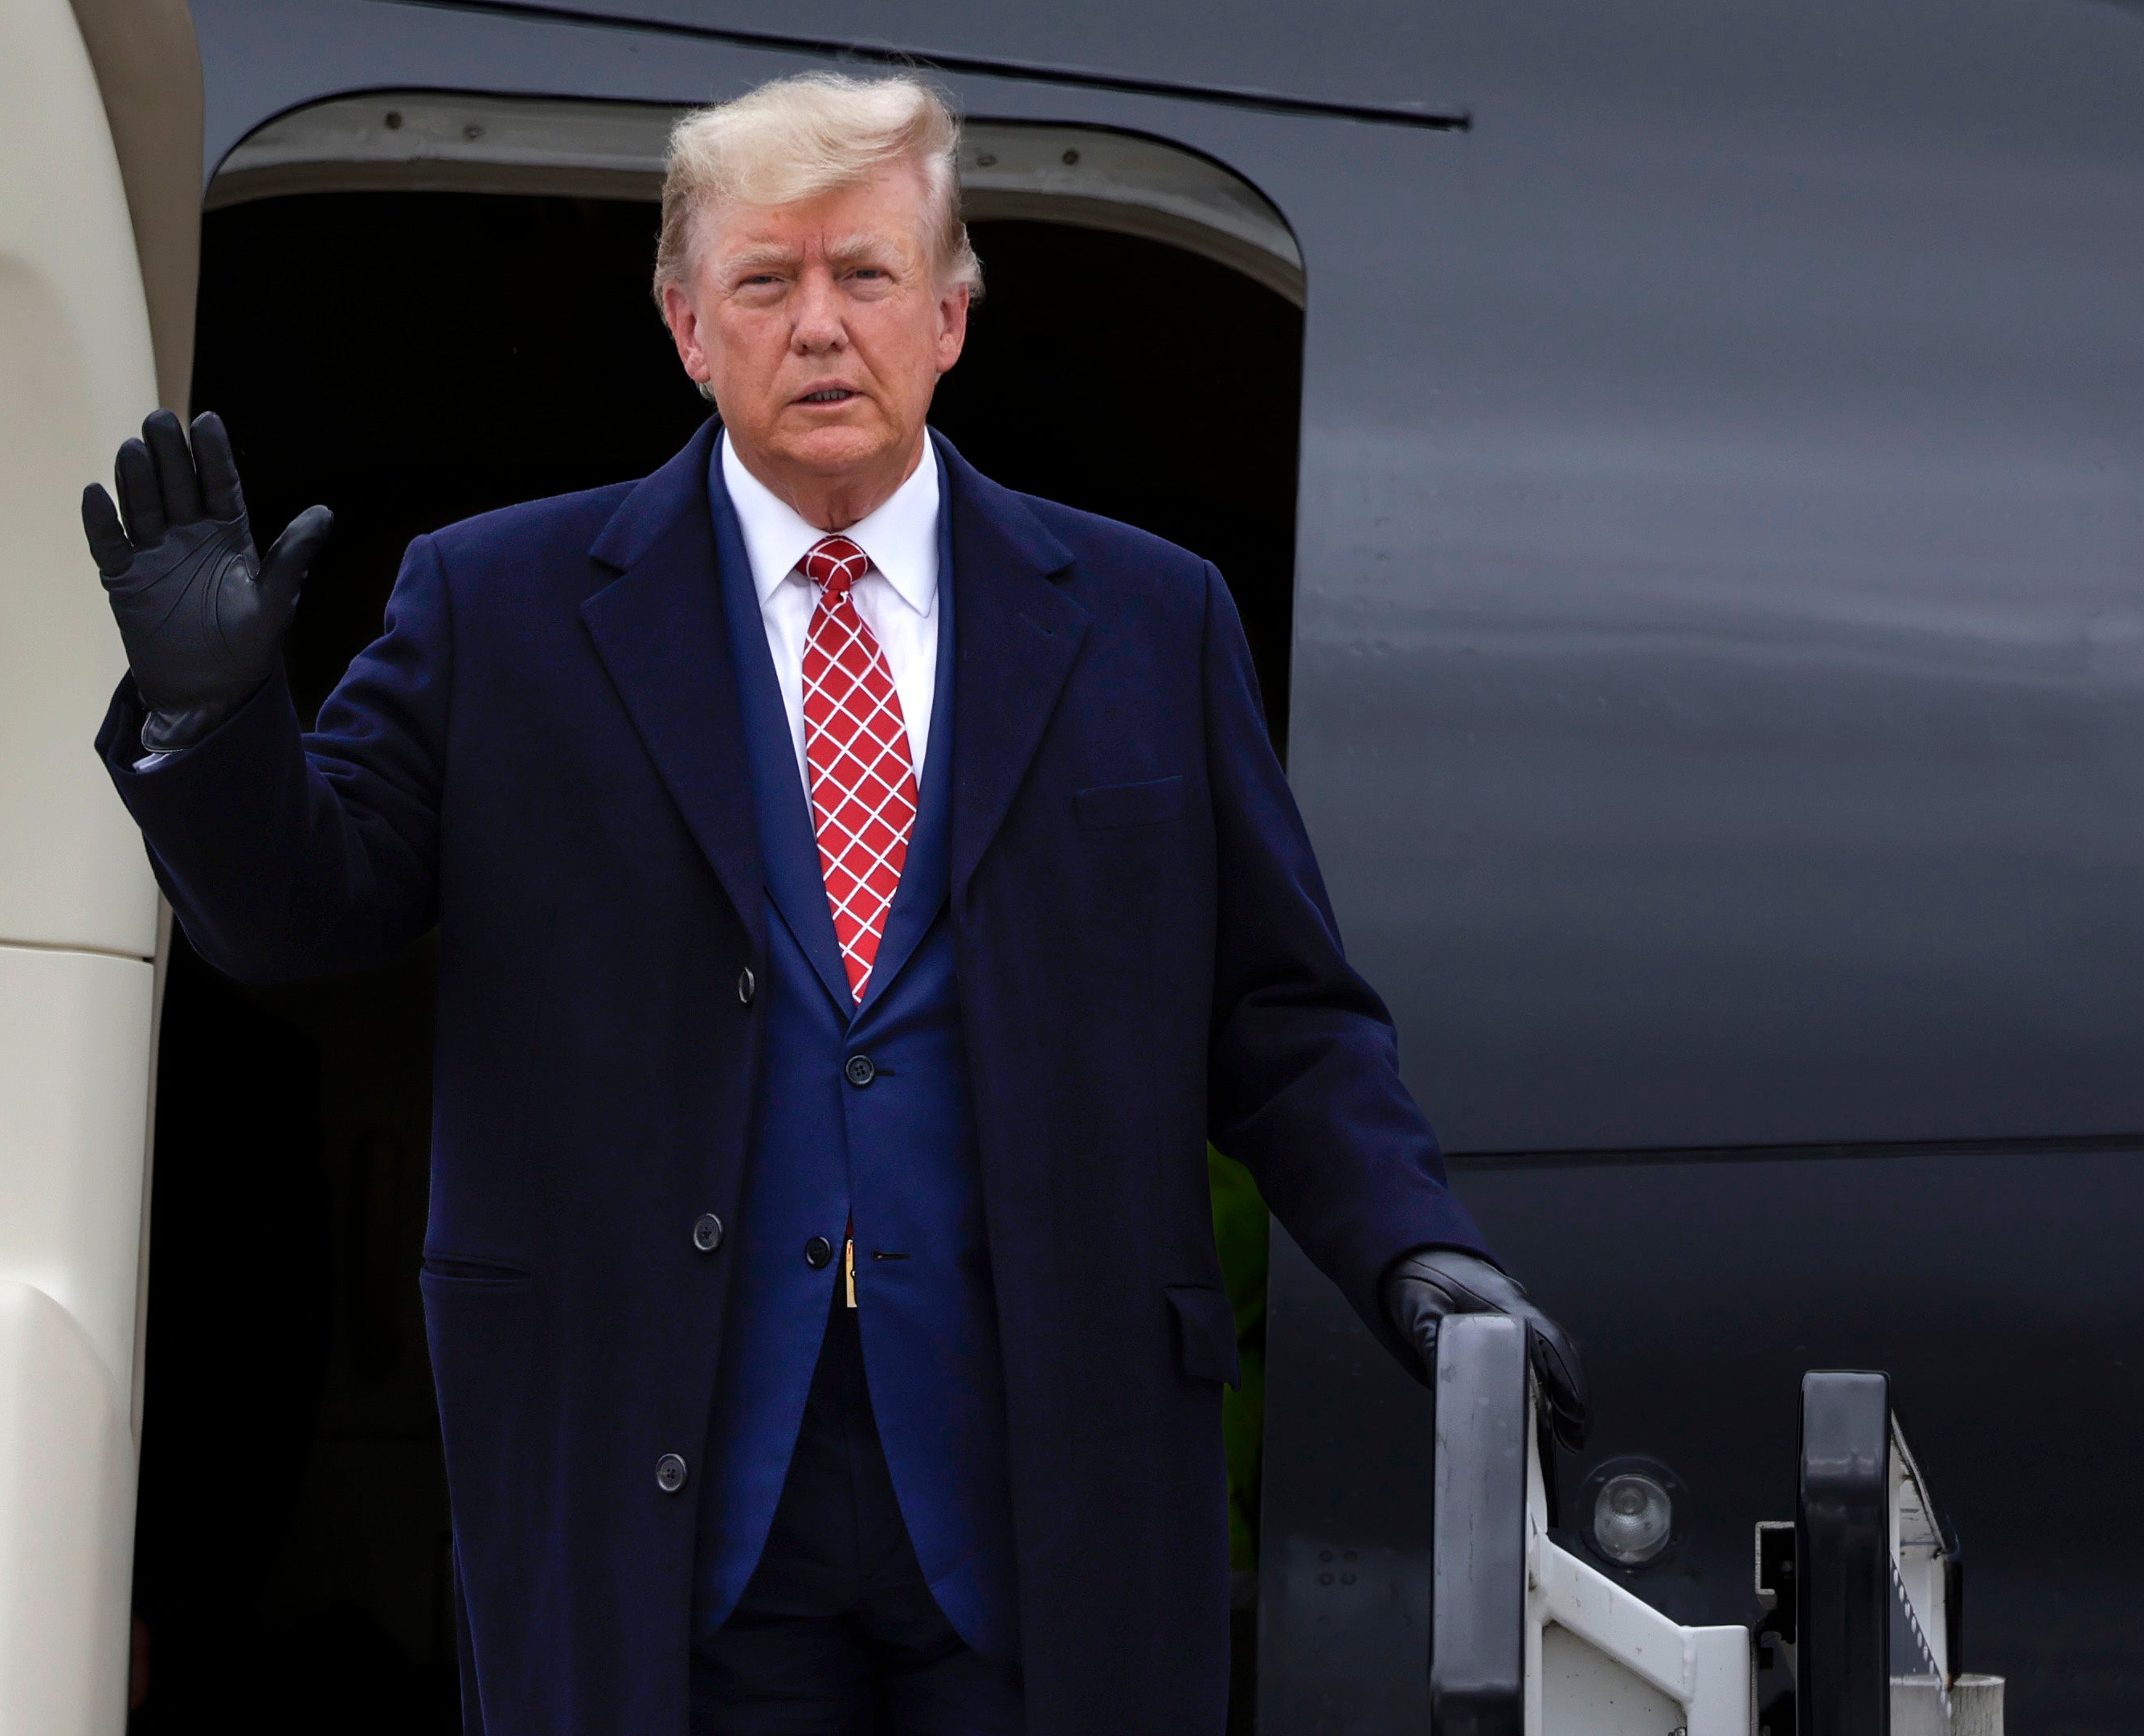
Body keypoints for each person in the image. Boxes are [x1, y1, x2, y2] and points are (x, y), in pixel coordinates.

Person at [82, 72, 1585, 1736]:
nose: (818, 326)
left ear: (949, 315)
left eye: (863, 276)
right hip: (674, 1488)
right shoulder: (496, 605)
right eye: (763, 281)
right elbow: (300, 916)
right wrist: (211, 722)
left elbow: (1279, 1017)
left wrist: (1412, 1250)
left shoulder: (1150, 622)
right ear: (683, 325)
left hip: (1042, 1481)